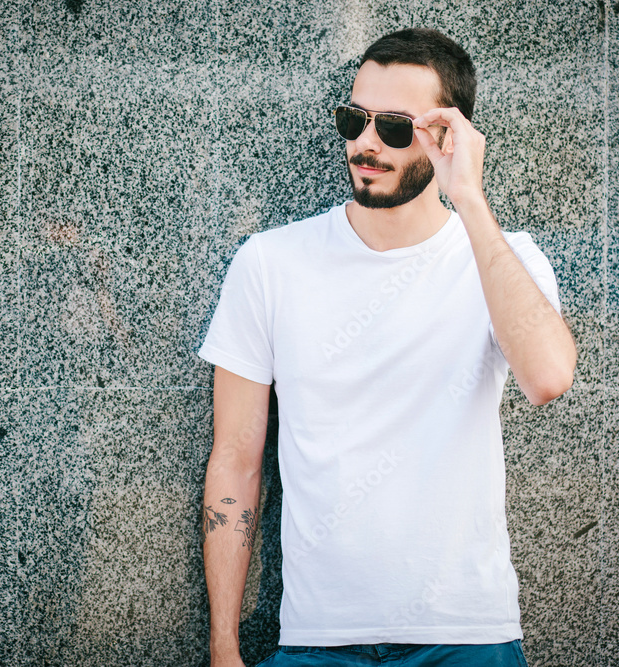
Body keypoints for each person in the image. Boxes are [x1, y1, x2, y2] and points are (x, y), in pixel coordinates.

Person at [198, 27, 577, 667]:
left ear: (449, 137)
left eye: (396, 128)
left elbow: (547, 377)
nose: (366, 144)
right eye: (355, 119)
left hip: (467, 635)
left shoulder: (502, 261)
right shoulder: (270, 264)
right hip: (318, 641)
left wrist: (471, 200)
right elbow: (235, 460)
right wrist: (224, 646)